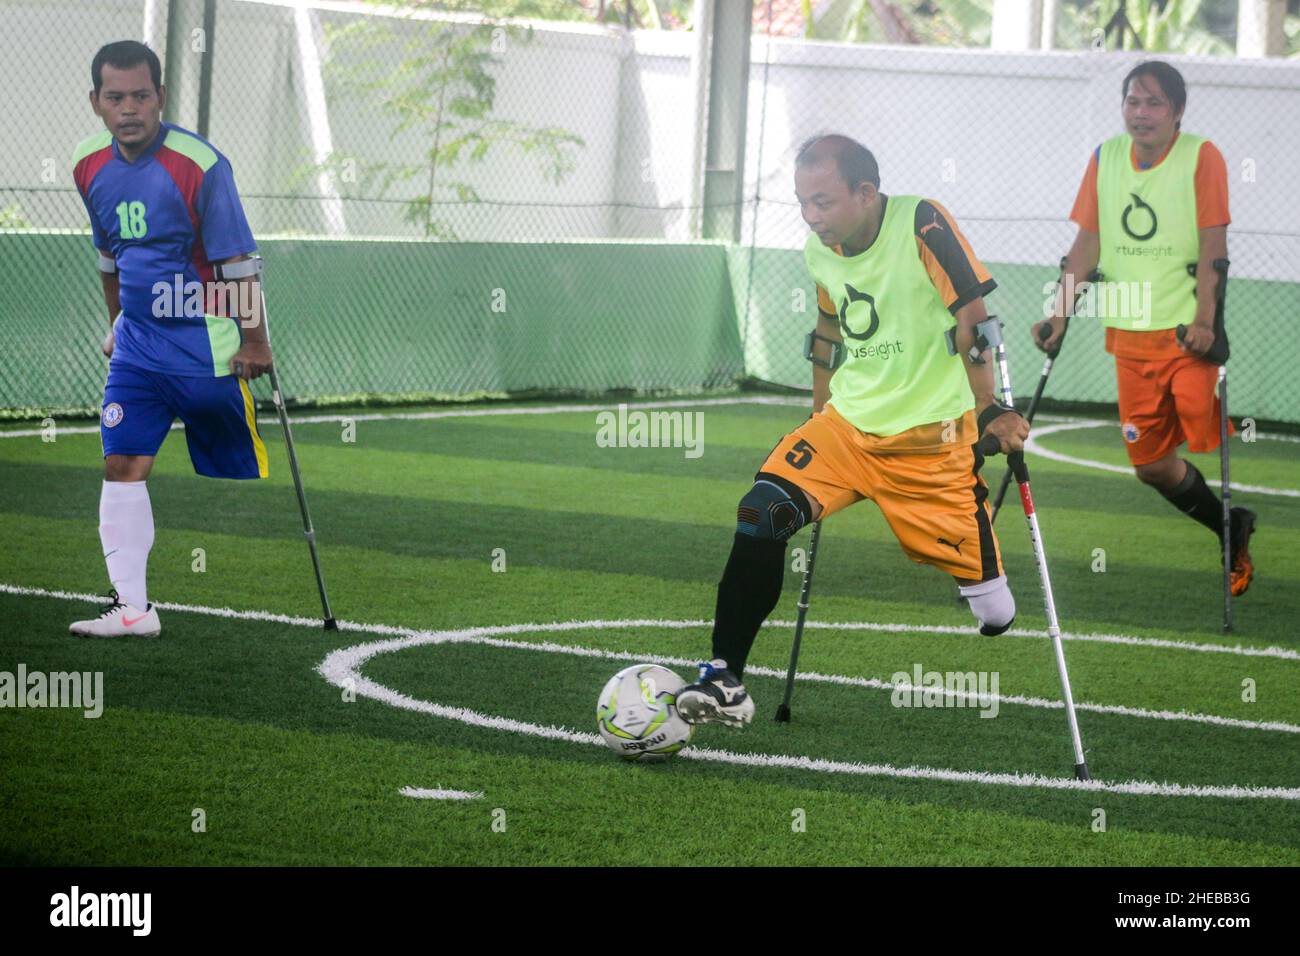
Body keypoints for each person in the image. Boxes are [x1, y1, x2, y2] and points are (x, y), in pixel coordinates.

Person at [676, 134, 1028, 725]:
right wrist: (819, 413)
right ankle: (724, 679)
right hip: (846, 429)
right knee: (760, 514)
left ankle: (976, 476)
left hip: (927, 445)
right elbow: (829, 327)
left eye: (824, 202)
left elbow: (975, 318)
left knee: (996, 612)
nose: (812, 217)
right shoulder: (823, 249)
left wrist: (989, 411)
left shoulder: (921, 222)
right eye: (802, 203)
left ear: (866, 193)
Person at [69, 40, 271, 637]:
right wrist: (116, 326)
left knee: (236, 463)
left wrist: (255, 343)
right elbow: (110, 257)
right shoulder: (86, 164)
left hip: (204, 343)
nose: (128, 108)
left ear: (161, 96)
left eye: (140, 95)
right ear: (96, 102)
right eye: (115, 97)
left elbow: (237, 261)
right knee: (122, 462)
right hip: (136, 347)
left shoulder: (201, 164)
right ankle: (133, 610)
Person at [1032, 60, 1255, 598]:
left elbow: (1213, 246)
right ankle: (1231, 525)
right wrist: (1059, 311)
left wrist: (1206, 319)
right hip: (1129, 333)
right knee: (1151, 465)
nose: (1142, 112)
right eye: (1134, 101)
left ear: (1177, 111)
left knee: (1200, 421)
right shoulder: (1105, 158)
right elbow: (1087, 243)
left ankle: (1228, 511)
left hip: (1184, 334)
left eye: (1154, 103)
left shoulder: (1201, 157)